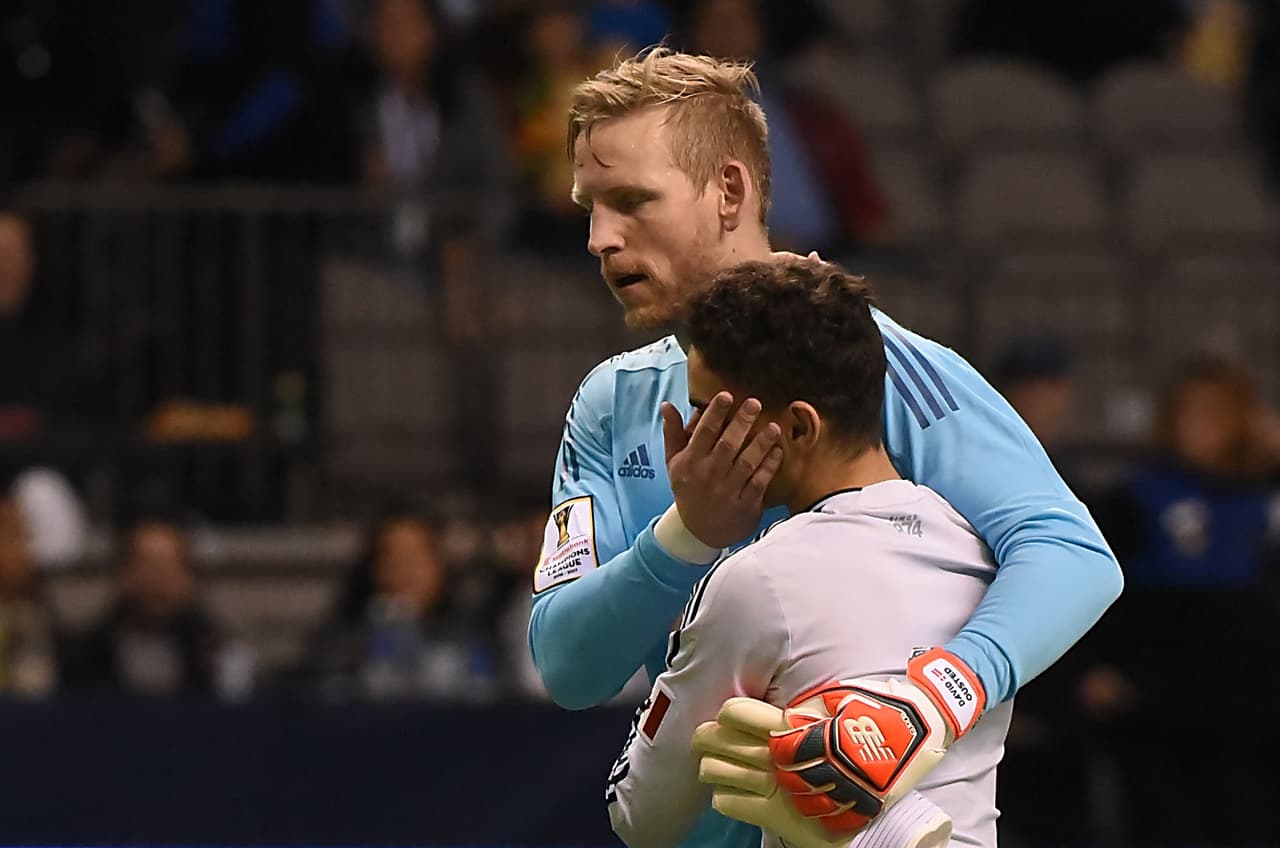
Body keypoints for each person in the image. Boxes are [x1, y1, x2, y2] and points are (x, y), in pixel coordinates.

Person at [529, 49, 1121, 847]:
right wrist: (685, 538)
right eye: (590, 208)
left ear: (729, 191)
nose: (600, 238)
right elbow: (568, 669)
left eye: (633, 201)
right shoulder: (610, 404)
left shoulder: (876, 366)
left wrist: (931, 700)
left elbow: (1073, 556)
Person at [606, 259, 1012, 848]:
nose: (692, 440)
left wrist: (692, 544)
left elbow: (642, 815)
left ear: (799, 428)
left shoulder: (758, 581)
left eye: (709, 412)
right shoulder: (979, 548)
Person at [63, 516, 225, 697]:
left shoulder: (214, 651)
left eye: (168, 569)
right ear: (121, 575)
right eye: (146, 567)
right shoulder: (84, 655)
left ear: (189, 578)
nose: (157, 582)